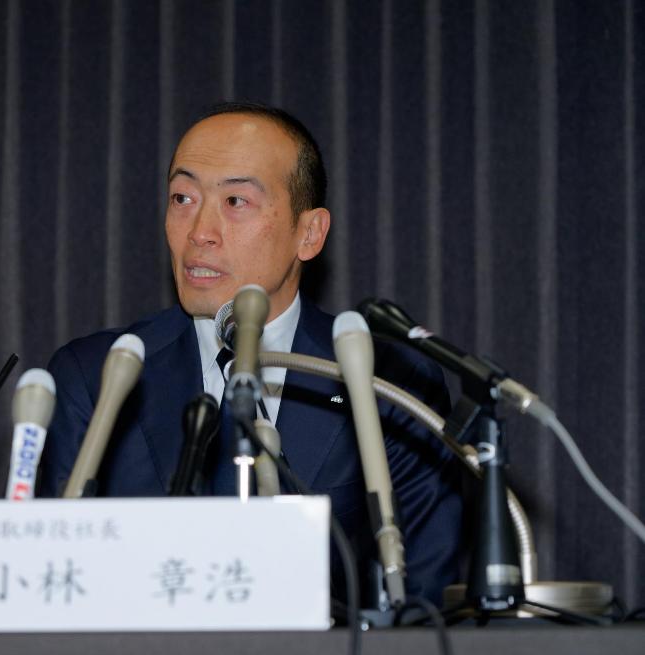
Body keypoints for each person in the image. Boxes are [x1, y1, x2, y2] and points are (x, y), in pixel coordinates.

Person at [36, 102, 462, 604]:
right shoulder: (99, 376)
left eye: (236, 201)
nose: (200, 231)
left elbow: (423, 603)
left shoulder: (389, 382)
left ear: (309, 233)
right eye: (182, 198)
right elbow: (52, 582)